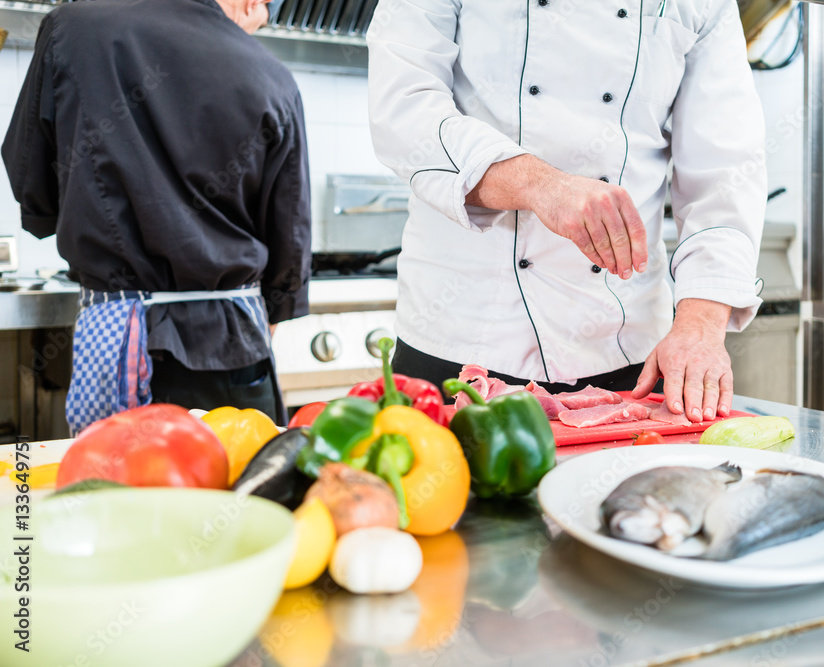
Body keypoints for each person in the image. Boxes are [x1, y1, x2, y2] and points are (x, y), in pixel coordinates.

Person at [367, 0, 767, 422]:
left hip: (628, 355)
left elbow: (725, 171)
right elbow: (403, 110)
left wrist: (701, 324)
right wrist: (541, 186)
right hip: (461, 344)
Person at [2, 0, 311, 434]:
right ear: (251, 2)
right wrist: (267, 310)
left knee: (112, 493)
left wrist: (62, 213)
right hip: (234, 348)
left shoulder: (73, 25)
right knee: (234, 491)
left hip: (115, 333)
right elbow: (290, 236)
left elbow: (27, 168)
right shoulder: (274, 76)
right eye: (262, 19)